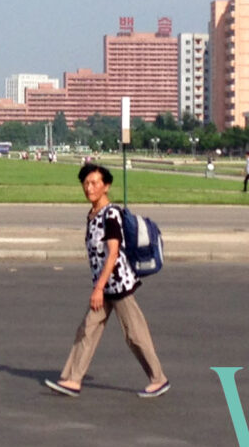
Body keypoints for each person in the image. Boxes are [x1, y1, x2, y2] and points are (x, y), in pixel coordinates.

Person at [45, 163, 169, 399]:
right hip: (105, 285)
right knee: (87, 330)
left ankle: (158, 378)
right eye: (86, 183)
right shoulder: (93, 214)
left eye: (94, 183)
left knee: (135, 334)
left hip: (118, 285)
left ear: (106, 186)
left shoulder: (110, 214)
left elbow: (113, 252)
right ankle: (72, 379)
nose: (89, 187)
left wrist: (99, 288)